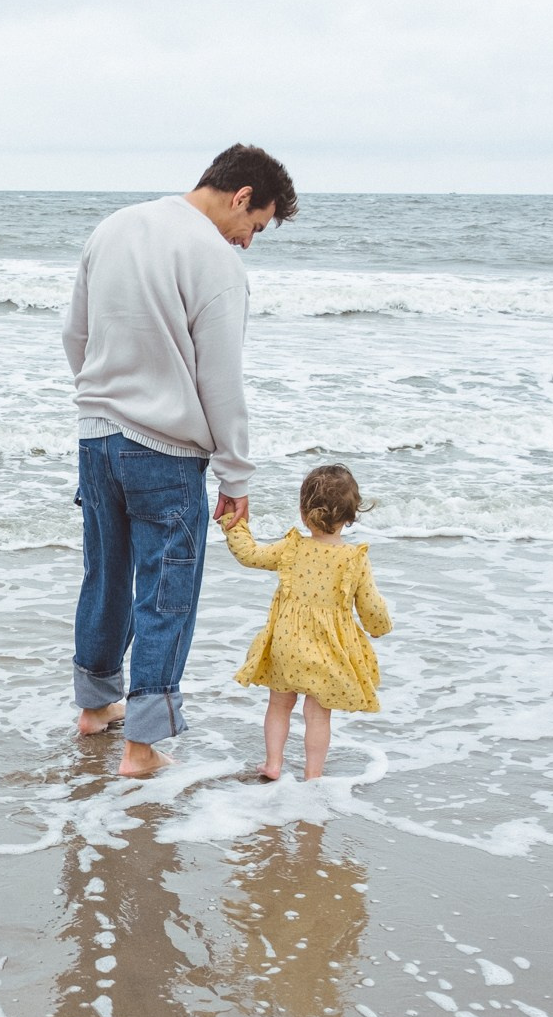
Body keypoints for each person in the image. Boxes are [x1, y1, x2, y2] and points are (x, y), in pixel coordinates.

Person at [64, 143, 297, 777]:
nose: (248, 242)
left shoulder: (114, 227)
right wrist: (236, 475)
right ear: (242, 197)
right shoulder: (213, 259)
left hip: (96, 437)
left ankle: (95, 708)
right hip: (164, 451)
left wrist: (102, 399)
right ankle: (141, 747)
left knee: (105, 575)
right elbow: (221, 378)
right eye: (255, 227)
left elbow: (74, 336)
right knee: (166, 595)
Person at [221, 463, 391, 781]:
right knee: (317, 713)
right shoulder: (354, 560)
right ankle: (313, 775)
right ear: (351, 517)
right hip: (327, 650)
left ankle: (273, 763)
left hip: (287, 644)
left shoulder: (292, 548)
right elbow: (370, 605)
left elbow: (250, 555)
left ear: (303, 512)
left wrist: (234, 523)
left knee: (279, 704)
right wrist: (380, 627)